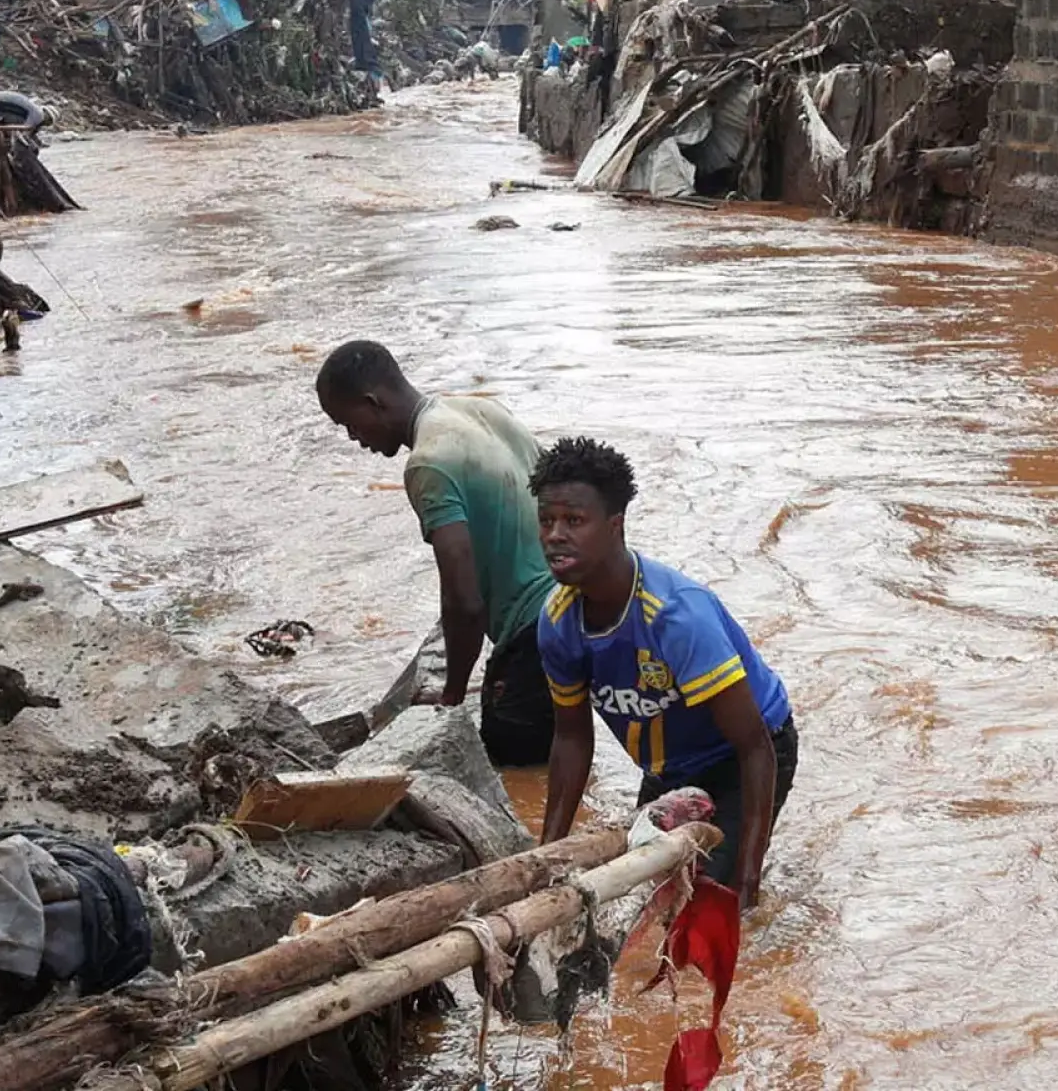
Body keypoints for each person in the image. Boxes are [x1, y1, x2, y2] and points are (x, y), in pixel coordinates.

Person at [531, 437, 799, 910]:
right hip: (669, 766)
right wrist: (546, 861)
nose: (555, 535)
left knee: (711, 903)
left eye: (574, 521)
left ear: (615, 526)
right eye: (546, 521)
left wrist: (746, 880)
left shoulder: (675, 616)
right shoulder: (558, 621)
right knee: (647, 898)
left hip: (745, 755)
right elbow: (572, 739)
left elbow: (754, 746)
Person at [317, 342, 558, 766]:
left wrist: (452, 696)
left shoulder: (428, 464)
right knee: (564, 745)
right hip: (578, 609)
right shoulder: (482, 412)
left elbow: (463, 600)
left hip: (531, 635)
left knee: (513, 771)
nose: (354, 438)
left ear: (373, 402)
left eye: (348, 424)